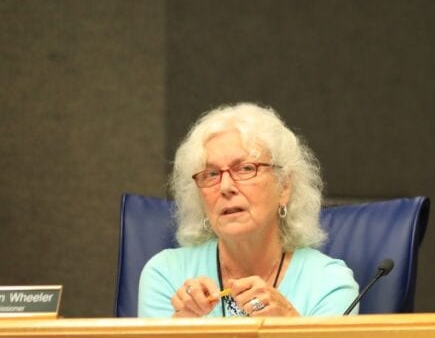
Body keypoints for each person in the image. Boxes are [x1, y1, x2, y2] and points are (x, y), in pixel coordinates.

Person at [138, 103, 360, 317]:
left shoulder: (330, 283)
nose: (225, 187)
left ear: (283, 186)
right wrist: (181, 327)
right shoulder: (165, 274)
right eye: (211, 174)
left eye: (245, 169)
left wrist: (290, 327)